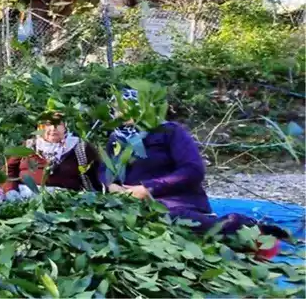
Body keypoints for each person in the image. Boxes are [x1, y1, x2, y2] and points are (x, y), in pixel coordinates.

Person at [101, 88, 286, 256]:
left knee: (174, 221)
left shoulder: (169, 132)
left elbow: (193, 170)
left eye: (129, 107)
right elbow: (106, 171)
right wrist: (112, 187)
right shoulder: (116, 139)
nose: (122, 113)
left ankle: (243, 227)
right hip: (133, 206)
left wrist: (147, 189)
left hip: (174, 202)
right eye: (118, 109)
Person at [0, 116, 101, 208]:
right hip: (22, 193)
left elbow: (99, 172)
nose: (53, 129)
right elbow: (8, 170)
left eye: (58, 125)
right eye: (48, 125)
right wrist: (11, 191)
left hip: (61, 198)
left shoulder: (80, 147)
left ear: (65, 127)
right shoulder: (29, 145)